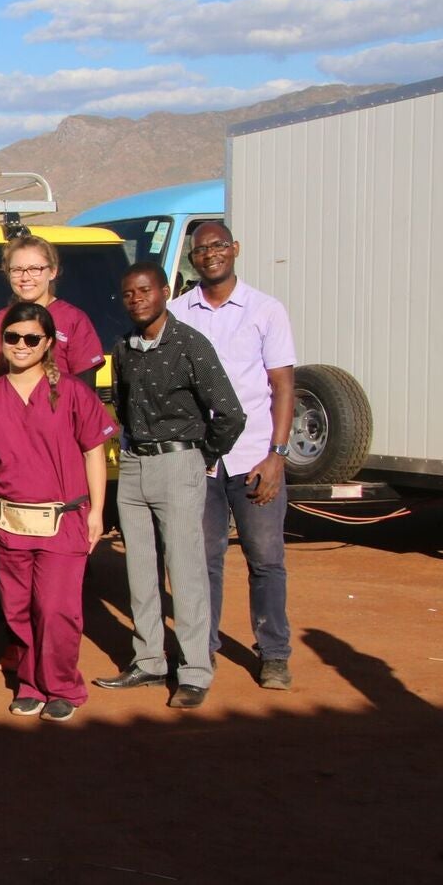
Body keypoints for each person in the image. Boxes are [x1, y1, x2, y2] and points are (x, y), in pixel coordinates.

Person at [98, 262, 246, 710]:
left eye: (145, 291)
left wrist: (203, 455)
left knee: (185, 570)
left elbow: (230, 412)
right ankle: (148, 660)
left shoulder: (190, 345)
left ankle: (196, 669)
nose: (137, 299)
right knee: (139, 569)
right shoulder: (123, 347)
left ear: (165, 292)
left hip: (179, 462)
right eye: (128, 294)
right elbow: (121, 402)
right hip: (133, 463)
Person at [0, 302, 113, 721]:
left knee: (57, 608)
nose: (21, 345)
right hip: (10, 521)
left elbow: (94, 451)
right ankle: (30, 683)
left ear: (47, 344)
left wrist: (97, 511)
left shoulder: (73, 393)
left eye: (32, 339)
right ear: (2, 342)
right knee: (18, 609)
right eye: (13, 337)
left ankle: (62, 686)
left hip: (64, 519)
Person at [169, 223, 297, 690]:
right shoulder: (178, 312)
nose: (210, 255)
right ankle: (202, 652)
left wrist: (277, 455)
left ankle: (275, 654)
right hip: (198, 462)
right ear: (192, 259)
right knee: (204, 559)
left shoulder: (266, 310)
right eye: (201, 250)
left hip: (254, 459)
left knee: (265, 558)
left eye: (219, 246)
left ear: (235, 249)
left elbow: (283, 386)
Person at [0, 234, 105, 384]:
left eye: (35, 269)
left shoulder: (74, 320)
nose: (25, 277)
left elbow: (85, 393)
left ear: (52, 271)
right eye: (17, 270)